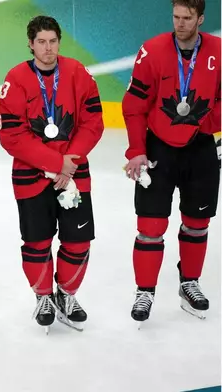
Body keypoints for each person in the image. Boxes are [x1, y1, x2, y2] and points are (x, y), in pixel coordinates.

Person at [0, 16, 104, 333]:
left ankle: (67, 294)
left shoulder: (78, 73)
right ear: (31, 44)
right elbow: (11, 135)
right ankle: (43, 297)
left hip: (73, 171)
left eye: (53, 41)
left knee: (78, 239)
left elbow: (93, 121)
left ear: (59, 41)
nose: (48, 48)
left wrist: (69, 161)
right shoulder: (15, 79)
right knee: (37, 241)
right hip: (33, 176)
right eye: (41, 42)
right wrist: (57, 163)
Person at [122, 0, 220, 324]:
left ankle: (189, 283)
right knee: (150, 227)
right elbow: (134, 104)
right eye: (176, 17)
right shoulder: (152, 51)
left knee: (197, 222)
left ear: (200, 19)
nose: (179, 23)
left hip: (201, 148)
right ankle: (145, 291)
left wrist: (202, 121)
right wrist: (136, 149)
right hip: (158, 149)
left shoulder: (218, 52)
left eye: (187, 18)